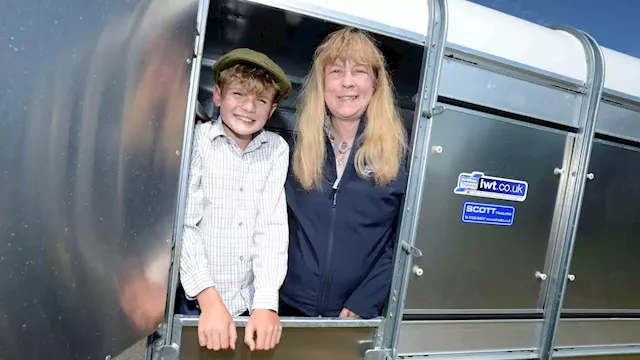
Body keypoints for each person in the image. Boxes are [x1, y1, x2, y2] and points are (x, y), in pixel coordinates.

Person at [279, 27, 409, 319]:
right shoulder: (293, 150)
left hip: (356, 317)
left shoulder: (398, 157)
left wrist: (367, 299)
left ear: (375, 83)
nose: (347, 83)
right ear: (322, 84)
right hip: (288, 309)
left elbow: (401, 241)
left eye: (359, 71)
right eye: (336, 71)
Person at [178, 48, 292, 352]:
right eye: (238, 94)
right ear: (217, 95)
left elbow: (272, 227)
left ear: (271, 110)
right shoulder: (198, 142)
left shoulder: (276, 149)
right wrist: (209, 300)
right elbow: (183, 226)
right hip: (198, 299)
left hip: (249, 302)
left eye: (261, 100)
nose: (248, 107)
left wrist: (266, 302)